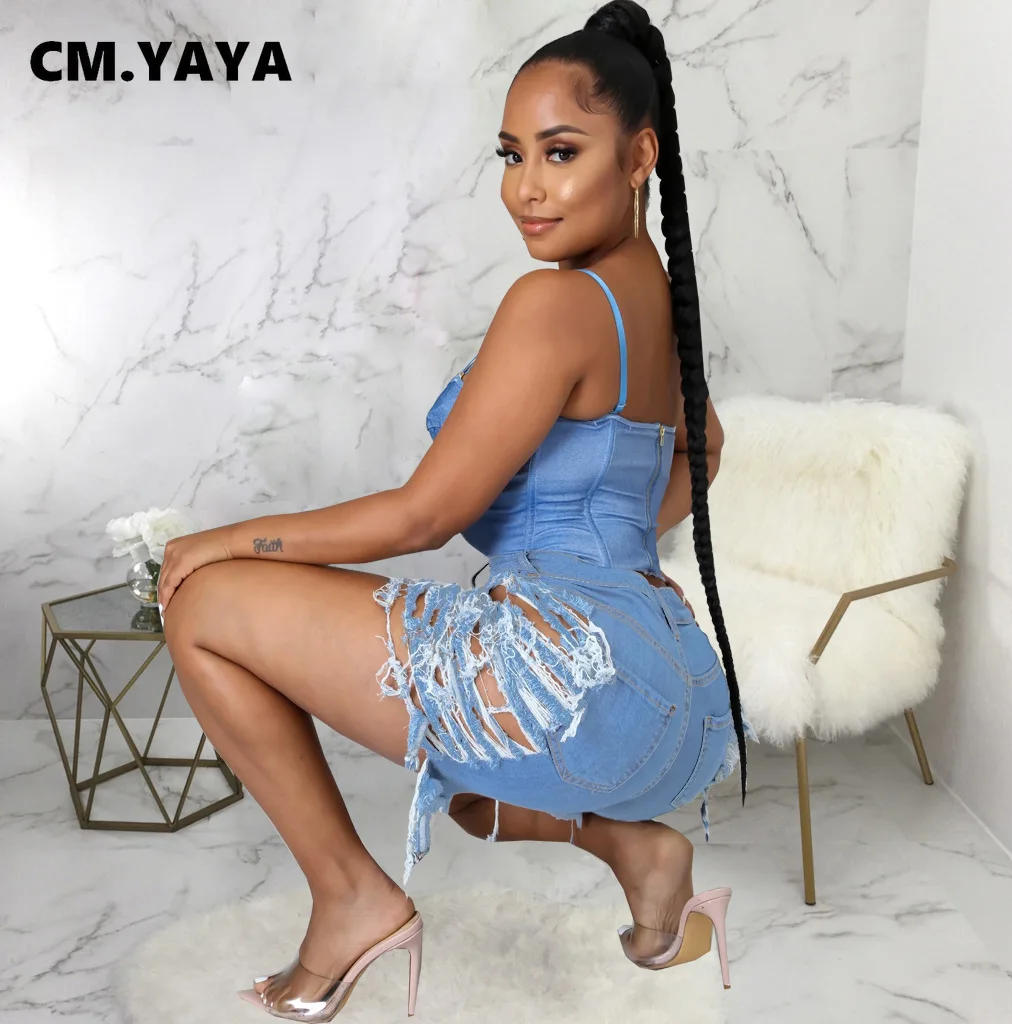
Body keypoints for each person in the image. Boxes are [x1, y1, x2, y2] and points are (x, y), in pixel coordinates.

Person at [157, 2, 755, 1018]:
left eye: (560, 152)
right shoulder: (661, 301)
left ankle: (352, 901)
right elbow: (709, 445)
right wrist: (598, 558)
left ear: (638, 156)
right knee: (470, 789)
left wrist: (220, 540)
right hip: (677, 696)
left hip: (568, 683)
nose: (526, 187)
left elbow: (422, 518)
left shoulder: (556, 302)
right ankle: (638, 849)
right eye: (511, 155)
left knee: (204, 605)